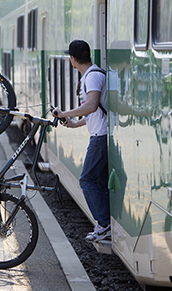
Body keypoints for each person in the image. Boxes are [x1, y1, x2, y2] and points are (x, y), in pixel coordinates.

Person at [52, 40, 109, 242]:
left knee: (86, 180)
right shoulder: (93, 74)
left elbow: (92, 106)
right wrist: (75, 123)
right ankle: (106, 223)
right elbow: (95, 110)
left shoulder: (91, 77)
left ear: (73, 59)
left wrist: (63, 113)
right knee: (99, 182)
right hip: (99, 133)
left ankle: (103, 224)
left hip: (100, 137)